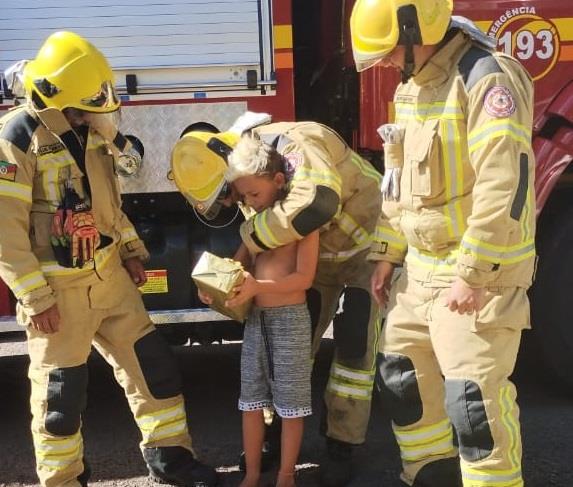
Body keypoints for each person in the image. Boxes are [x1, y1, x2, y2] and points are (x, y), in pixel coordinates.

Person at [0, 31, 217, 487]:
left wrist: (133, 251)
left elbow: (111, 197)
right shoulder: (18, 136)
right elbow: (6, 230)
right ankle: (63, 480)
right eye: (83, 107)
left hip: (111, 276)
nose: (91, 114)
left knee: (153, 370)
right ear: (52, 95)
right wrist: (35, 298)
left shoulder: (92, 128)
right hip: (58, 292)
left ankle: (172, 462)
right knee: (60, 398)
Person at [351, 1, 535, 486]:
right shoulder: (413, 85)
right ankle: (429, 479)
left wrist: (474, 272)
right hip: (419, 270)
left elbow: (505, 182)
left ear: (416, 31)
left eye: (390, 51)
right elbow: (398, 180)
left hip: (472, 274)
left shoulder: (485, 78)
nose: (387, 62)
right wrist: (388, 254)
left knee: (475, 407)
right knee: (402, 380)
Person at [171, 117, 383, 486]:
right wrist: (224, 282)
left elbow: (316, 205)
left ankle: (341, 444)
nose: (235, 201)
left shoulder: (291, 146)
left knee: (354, 349)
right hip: (315, 266)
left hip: (365, 252)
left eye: (232, 194)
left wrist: (249, 238)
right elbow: (266, 235)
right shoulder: (250, 179)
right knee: (292, 354)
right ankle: (274, 435)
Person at [200, 135, 319, 487]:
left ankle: (286, 475)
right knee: (250, 401)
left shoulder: (302, 222)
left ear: (278, 181)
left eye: (254, 194)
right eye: (244, 196)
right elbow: (238, 267)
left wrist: (257, 288)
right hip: (257, 322)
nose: (249, 202)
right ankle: (251, 474)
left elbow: (304, 279)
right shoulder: (254, 222)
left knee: (291, 403)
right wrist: (215, 288)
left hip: (291, 321)